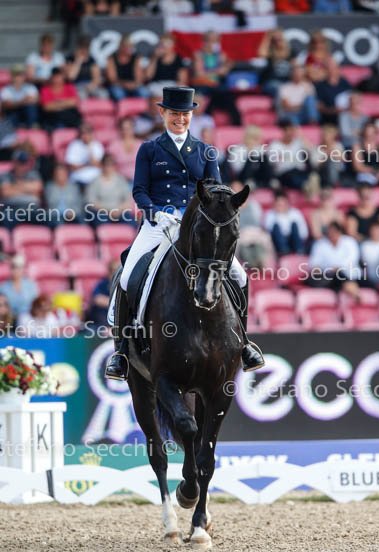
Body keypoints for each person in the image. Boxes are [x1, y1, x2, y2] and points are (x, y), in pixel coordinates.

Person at [105, 86, 265, 380]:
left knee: (240, 276)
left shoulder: (205, 151)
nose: (180, 119)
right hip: (159, 224)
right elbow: (139, 190)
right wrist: (155, 213)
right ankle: (122, 351)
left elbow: (217, 191)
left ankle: (243, 343)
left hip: (196, 226)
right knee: (127, 276)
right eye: (174, 114)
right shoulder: (150, 149)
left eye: (185, 114)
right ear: (163, 113)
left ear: (192, 115)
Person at [308, 221, 361, 299]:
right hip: (328, 276)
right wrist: (322, 269)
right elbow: (314, 263)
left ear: (339, 232)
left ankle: (353, 292)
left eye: (334, 232)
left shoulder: (349, 242)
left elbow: (352, 260)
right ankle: (353, 292)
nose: (331, 234)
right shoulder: (320, 244)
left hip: (349, 274)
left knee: (340, 275)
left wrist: (337, 268)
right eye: (330, 232)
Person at [86, 154, 132, 225]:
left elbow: (128, 200)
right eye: (107, 164)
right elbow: (91, 201)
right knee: (101, 219)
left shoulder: (121, 180)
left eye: (112, 164)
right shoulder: (95, 181)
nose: (109, 167)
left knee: (129, 220)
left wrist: (119, 209)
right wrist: (109, 210)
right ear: (102, 165)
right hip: (102, 212)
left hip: (119, 211)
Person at [65, 34, 108, 99]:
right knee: (81, 95)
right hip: (76, 86)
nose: (84, 50)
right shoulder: (70, 59)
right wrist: (78, 61)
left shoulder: (91, 60)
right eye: (82, 47)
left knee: (103, 94)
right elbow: (71, 77)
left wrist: (92, 85)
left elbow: (97, 78)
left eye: (86, 47)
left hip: (89, 85)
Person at [105, 35, 147, 101]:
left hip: (133, 86)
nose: (130, 48)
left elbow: (139, 78)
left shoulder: (136, 58)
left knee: (143, 92)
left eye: (131, 46)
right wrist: (124, 84)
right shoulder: (112, 58)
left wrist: (133, 85)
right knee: (118, 94)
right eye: (127, 46)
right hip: (118, 85)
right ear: (121, 46)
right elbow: (112, 78)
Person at [258, 29, 296, 98]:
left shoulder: (290, 52)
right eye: (275, 40)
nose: (277, 42)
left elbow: (295, 68)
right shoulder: (271, 52)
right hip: (271, 82)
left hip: (286, 81)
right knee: (280, 88)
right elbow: (261, 53)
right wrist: (268, 37)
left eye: (279, 39)